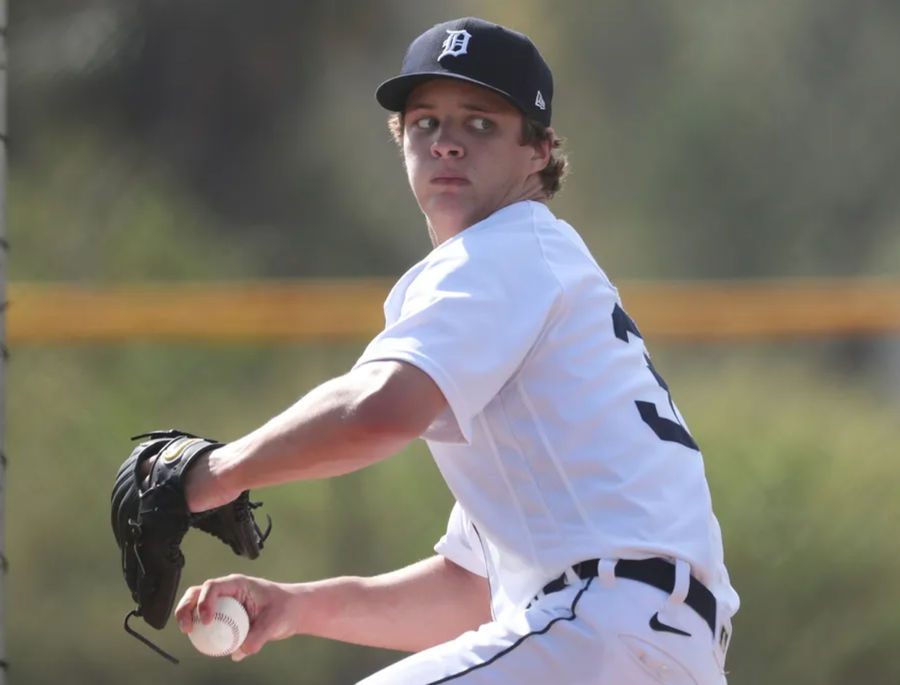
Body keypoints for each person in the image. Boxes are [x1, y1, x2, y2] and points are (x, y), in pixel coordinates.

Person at [174, 16, 739, 684]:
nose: (446, 144)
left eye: (480, 123)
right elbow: (472, 590)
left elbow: (378, 409)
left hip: (600, 626)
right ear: (401, 140)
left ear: (539, 150)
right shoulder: (530, 278)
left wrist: (212, 473)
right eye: (425, 123)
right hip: (643, 642)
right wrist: (297, 606)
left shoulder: (501, 251)